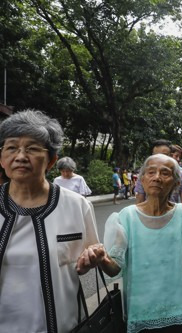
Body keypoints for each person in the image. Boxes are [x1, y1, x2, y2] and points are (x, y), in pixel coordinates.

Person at [82, 154, 182, 333]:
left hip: (181, 311)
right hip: (143, 313)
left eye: (165, 173)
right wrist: (102, 258)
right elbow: (115, 268)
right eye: (151, 172)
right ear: (142, 179)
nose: (157, 177)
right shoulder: (126, 217)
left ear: (175, 183)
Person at [0, 110, 101, 332]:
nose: (20, 156)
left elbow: (94, 251)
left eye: (32, 148)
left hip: (63, 325)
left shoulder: (77, 205)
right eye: (11, 147)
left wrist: (93, 256)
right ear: (2, 158)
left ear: (51, 160)